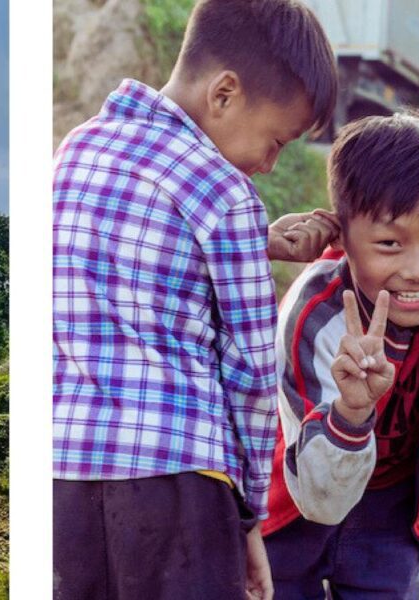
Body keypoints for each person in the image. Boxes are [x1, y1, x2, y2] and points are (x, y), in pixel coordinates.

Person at [52, 0, 338, 597]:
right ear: (225, 93)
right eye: (277, 140)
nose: (270, 160)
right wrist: (250, 514)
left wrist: (251, 244)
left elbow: (113, 267)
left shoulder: (74, 154)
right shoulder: (226, 194)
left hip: (62, 476)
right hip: (180, 485)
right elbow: (252, 372)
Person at [263, 113, 419, 598]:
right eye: (390, 244)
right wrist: (352, 411)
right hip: (293, 510)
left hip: (393, 511)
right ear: (341, 237)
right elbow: (320, 499)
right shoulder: (314, 314)